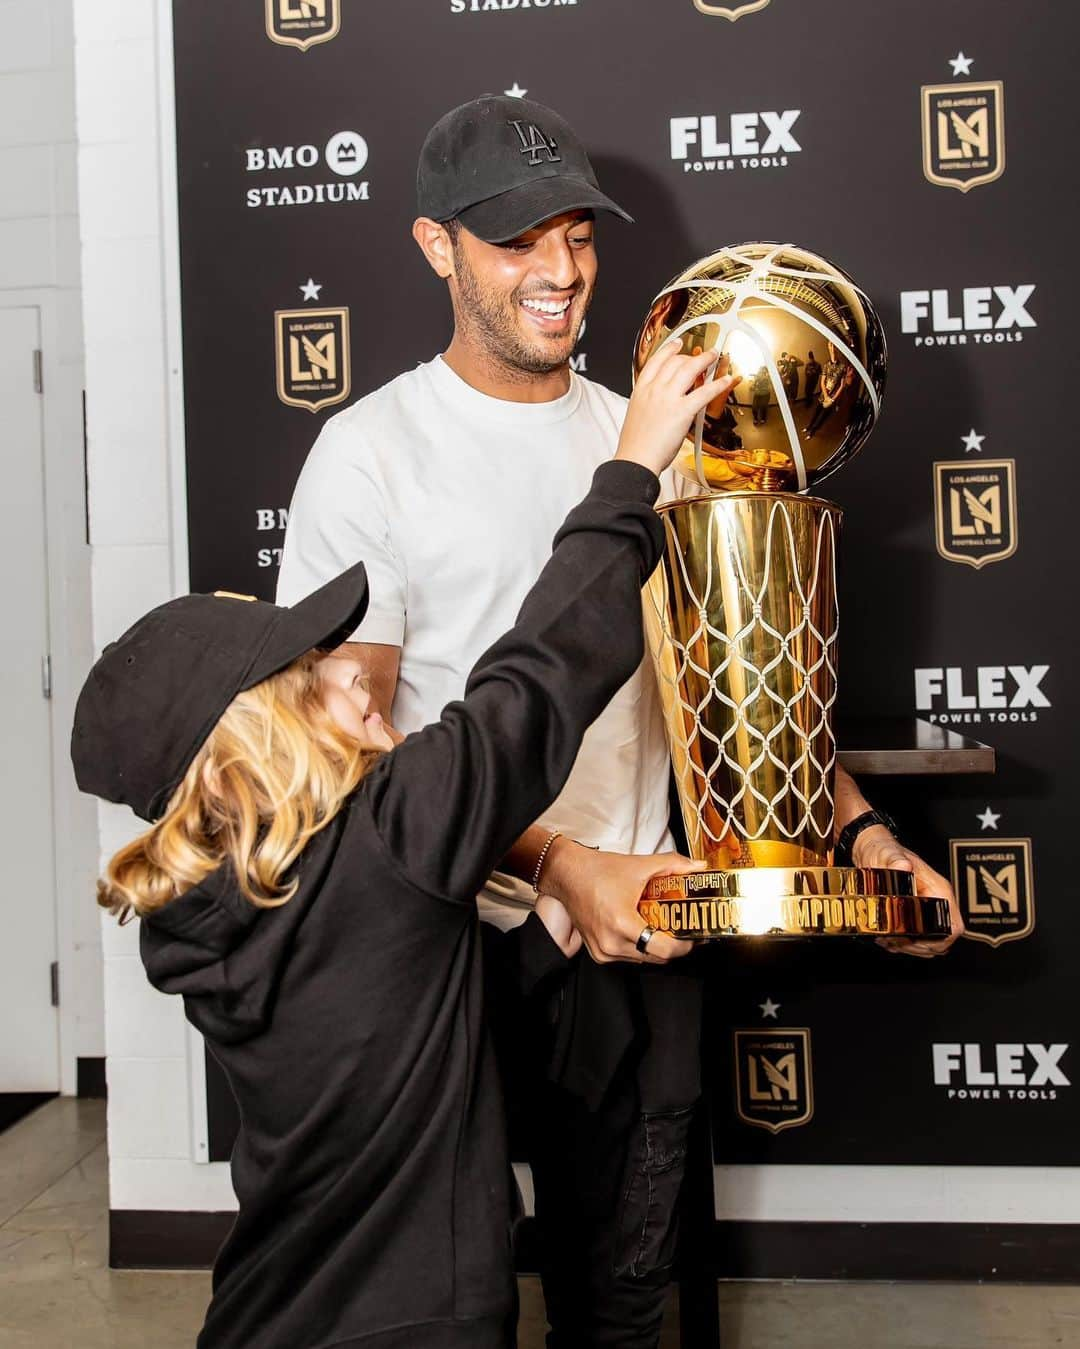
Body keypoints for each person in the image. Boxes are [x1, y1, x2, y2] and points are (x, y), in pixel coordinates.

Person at [278, 94, 961, 1349]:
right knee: (453, 1302)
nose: (559, 271)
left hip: (640, 929)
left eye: (578, 236)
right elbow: (344, 751)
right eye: (515, 240)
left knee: (629, 1304)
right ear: (436, 247)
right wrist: (553, 860)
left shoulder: (652, 437)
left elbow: (743, 688)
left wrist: (865, 840)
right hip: (445, 944)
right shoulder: (368, 455)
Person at [69, 343, 730, 1349]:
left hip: (269, 1314)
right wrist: (632, 466)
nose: (359, 685)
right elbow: (541, 672)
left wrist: (570, 895)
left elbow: (409, 994)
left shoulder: (211, 901)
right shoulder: (393, 834)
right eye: (312, 680)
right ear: (254, 746)